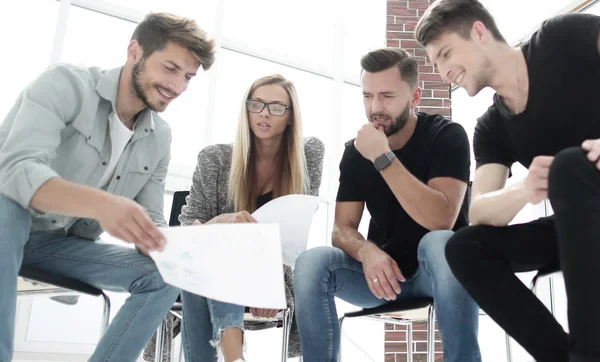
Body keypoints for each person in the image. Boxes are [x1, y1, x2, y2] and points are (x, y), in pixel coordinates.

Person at [0, 12, 215, 362]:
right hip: (7, 225)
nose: (177, 87)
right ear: (134, 51)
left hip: (56, 246)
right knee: (5, 206)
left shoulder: (159, 137)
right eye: (170, 68)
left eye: (188, 77)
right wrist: (100, 204)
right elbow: (15, 170)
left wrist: (181, 241)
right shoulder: (66, 84)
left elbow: (151, 220)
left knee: (162, 275)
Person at [415, 1, 600, 361]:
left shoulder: (560, 38)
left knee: (567, 168)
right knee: (464, 247)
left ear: (479, 32)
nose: (444, 71)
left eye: (447, 53)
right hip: (579, 222)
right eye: (436, 64)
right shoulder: (490, 128)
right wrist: (523, 189)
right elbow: (481, 208)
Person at [293, 47, 480, 362]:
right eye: (367, 96)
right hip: (382, 280)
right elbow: (341, 229)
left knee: (440, 242)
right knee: (312, 262)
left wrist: (382, 156)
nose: (375, 108)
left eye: (387, 97)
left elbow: (441, 220)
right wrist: (367, 251)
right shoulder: (355, 153)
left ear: (415, 96)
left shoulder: (446, 136)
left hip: (438, 274)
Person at [177, 74, 325, 362]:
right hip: (211, 268)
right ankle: (235, 358)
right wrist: (222, 222)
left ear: (291, 116)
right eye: (256, 104)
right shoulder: (214, 159)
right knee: (210, 257)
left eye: (276, 107)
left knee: (200, 274)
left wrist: (267, 279)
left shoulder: (309, 155)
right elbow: (188, 231)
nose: (264, 113)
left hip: (273, 273)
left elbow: (294, 234)